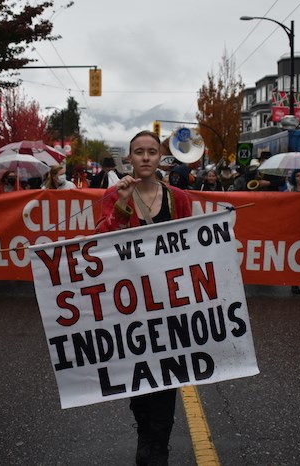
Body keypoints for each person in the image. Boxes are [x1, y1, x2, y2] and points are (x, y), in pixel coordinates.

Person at [96, 130, 192, 466]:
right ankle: (144, 431)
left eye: (152, 151)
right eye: (139, 152)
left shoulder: (178, 197)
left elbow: (188, 243)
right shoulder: (113, 194)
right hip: (130, 302)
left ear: (161, 157)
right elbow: (103, 242)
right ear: (130, 158)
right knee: (138, 373)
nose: (146, 157)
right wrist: (122, 203)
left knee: (167, 373)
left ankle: (159, 445)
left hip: (168, 300)